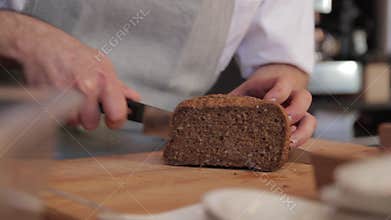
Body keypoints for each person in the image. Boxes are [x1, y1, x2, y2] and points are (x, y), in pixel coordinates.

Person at [0, 0, 316, 147]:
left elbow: (281, 59)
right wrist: (24, 36)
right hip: (15, 157)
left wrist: (278, 94)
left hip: (161, 160)